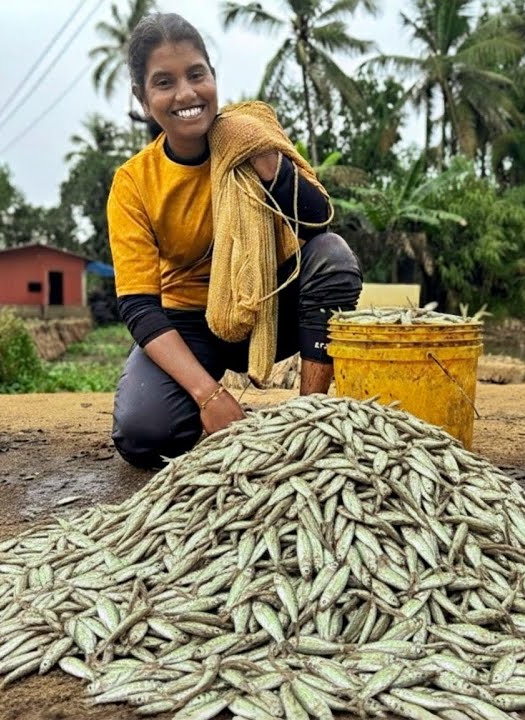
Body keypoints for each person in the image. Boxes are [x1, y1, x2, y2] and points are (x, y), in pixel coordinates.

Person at [107, 12, 363, 469]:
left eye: (196, 74)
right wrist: (208, 395)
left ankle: (309, 417)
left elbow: (319, 220)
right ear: (144, 99)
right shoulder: (134, 183)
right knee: (145, 435)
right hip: (188, 324)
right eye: (164, 82)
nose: (186, 93)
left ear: (212, 76)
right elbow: (139, 306)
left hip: (268, 306)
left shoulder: (251, 135)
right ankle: (205, 397)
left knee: (332, 257)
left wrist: (268, 164)